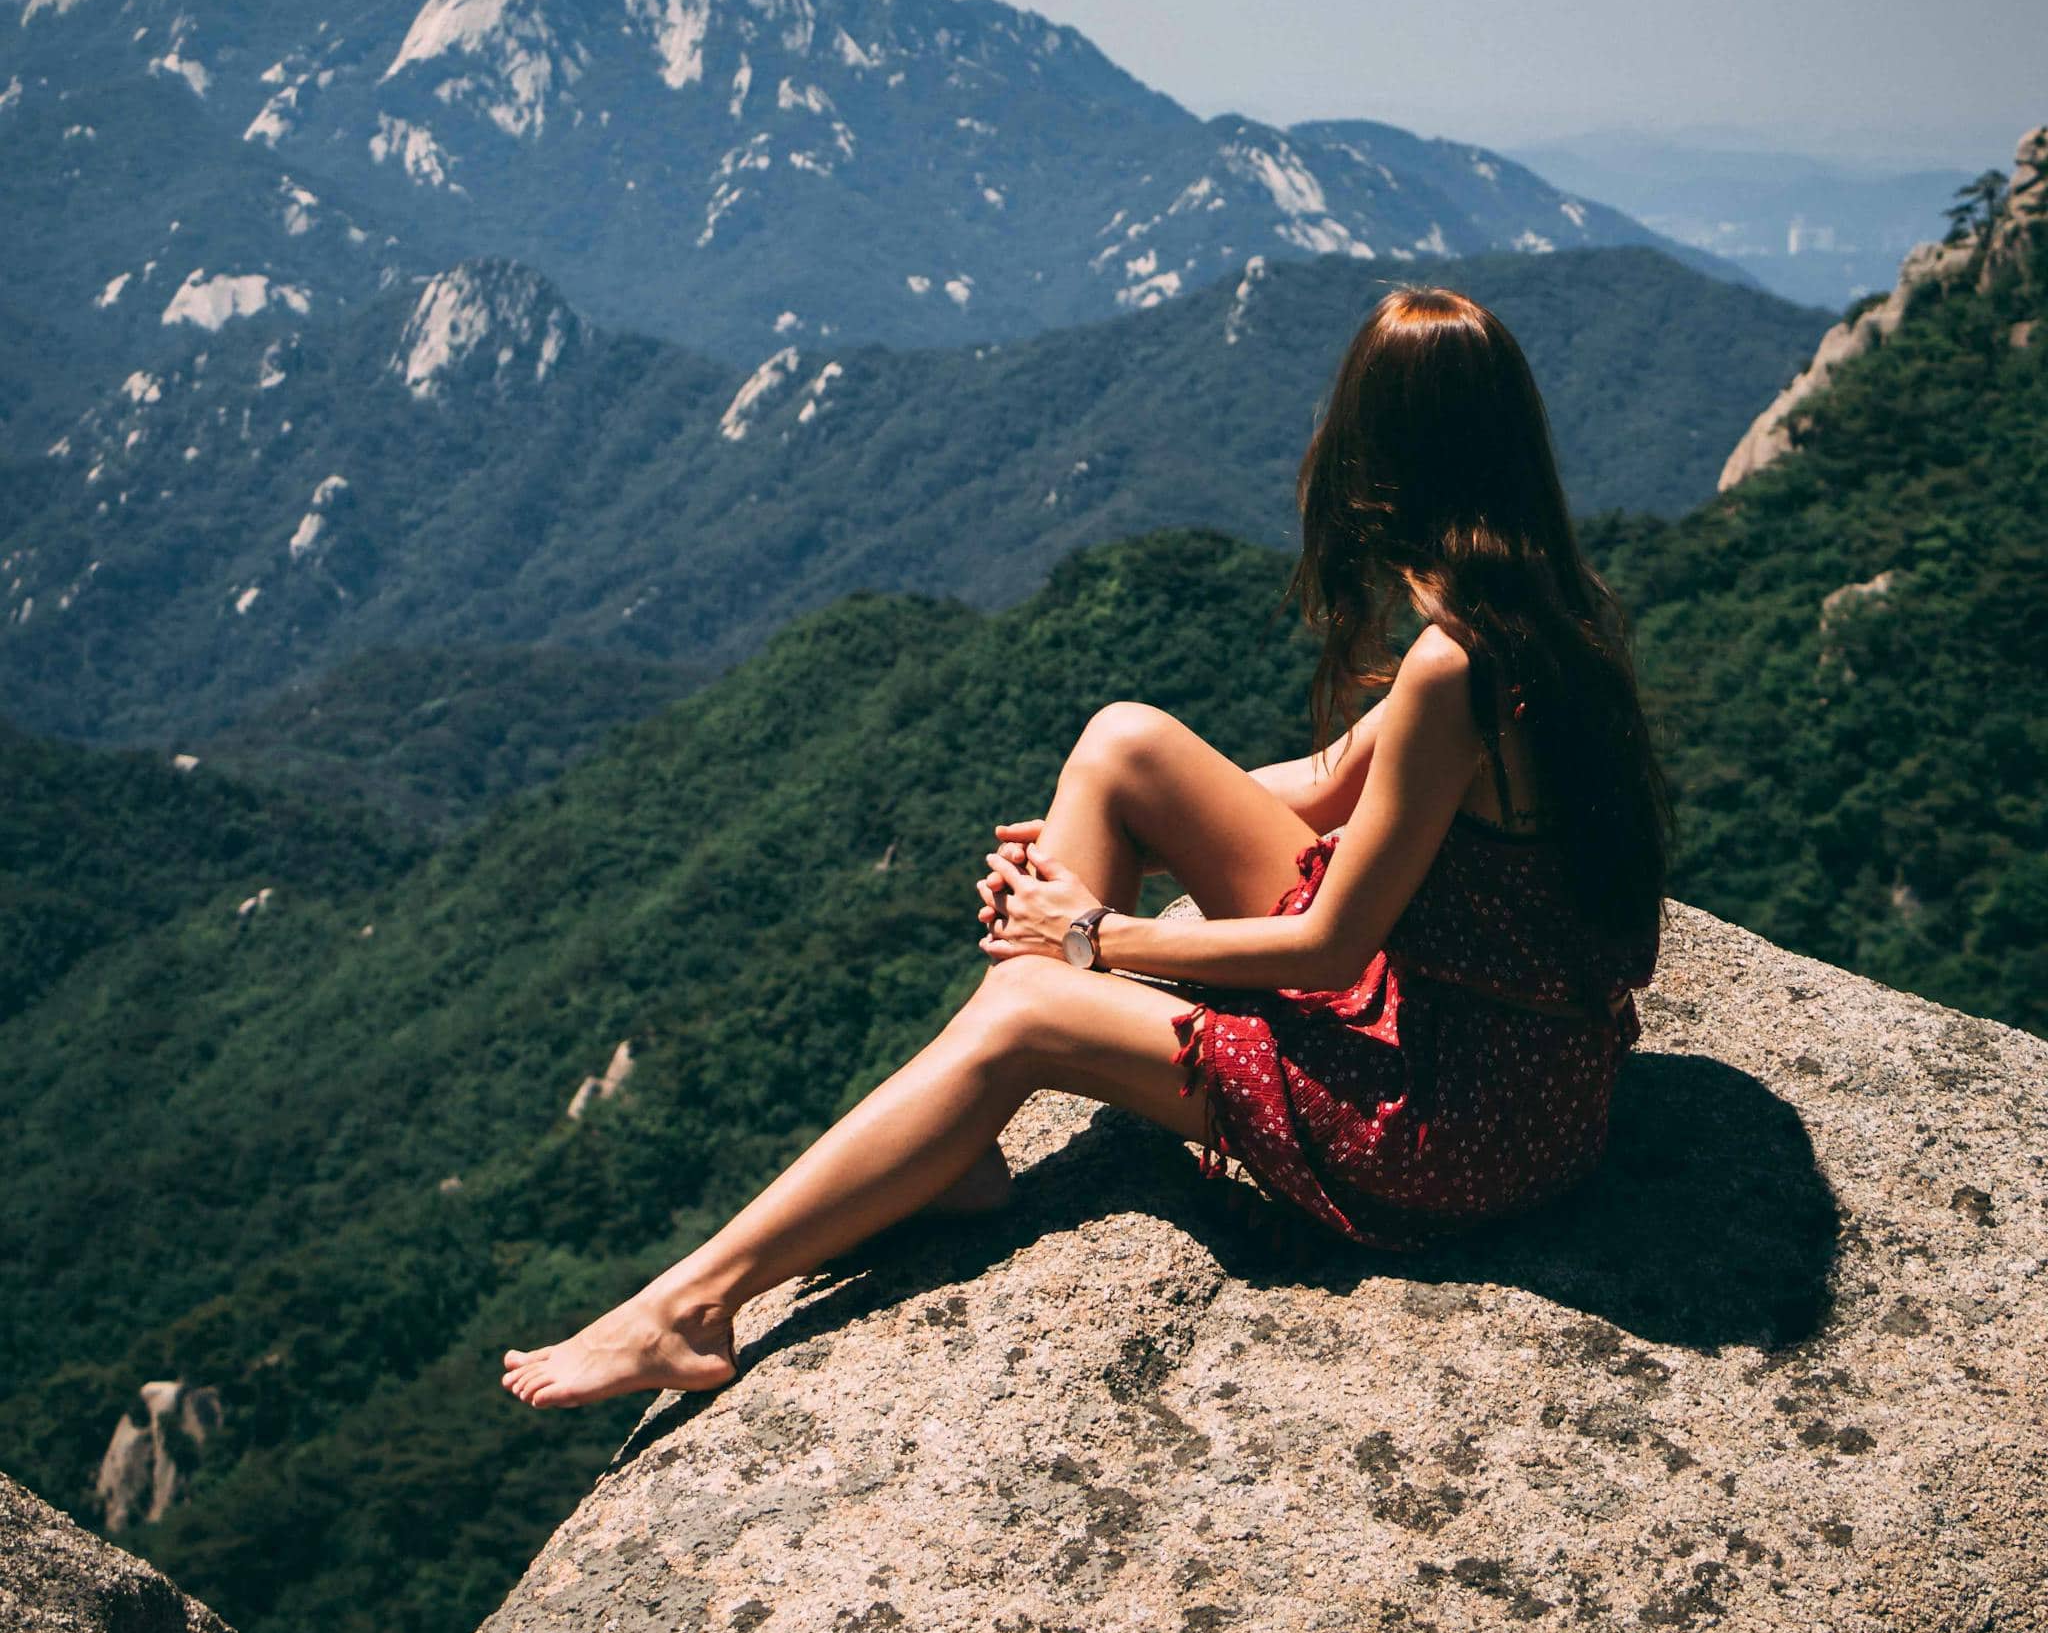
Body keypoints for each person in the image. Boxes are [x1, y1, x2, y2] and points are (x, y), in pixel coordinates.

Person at [502, 287, 1669, 1411]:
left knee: (1024, 1013)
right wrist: (1117, 818)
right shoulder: (1546, 607)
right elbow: (1327, 787)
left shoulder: (1451, 667)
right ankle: (954, 1138)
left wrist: (1092, 935)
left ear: (1380, 459)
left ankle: (693, 1306)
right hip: (1492, 1047)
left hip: (1447, 1117)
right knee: (1122, 744)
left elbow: (1328, 945)